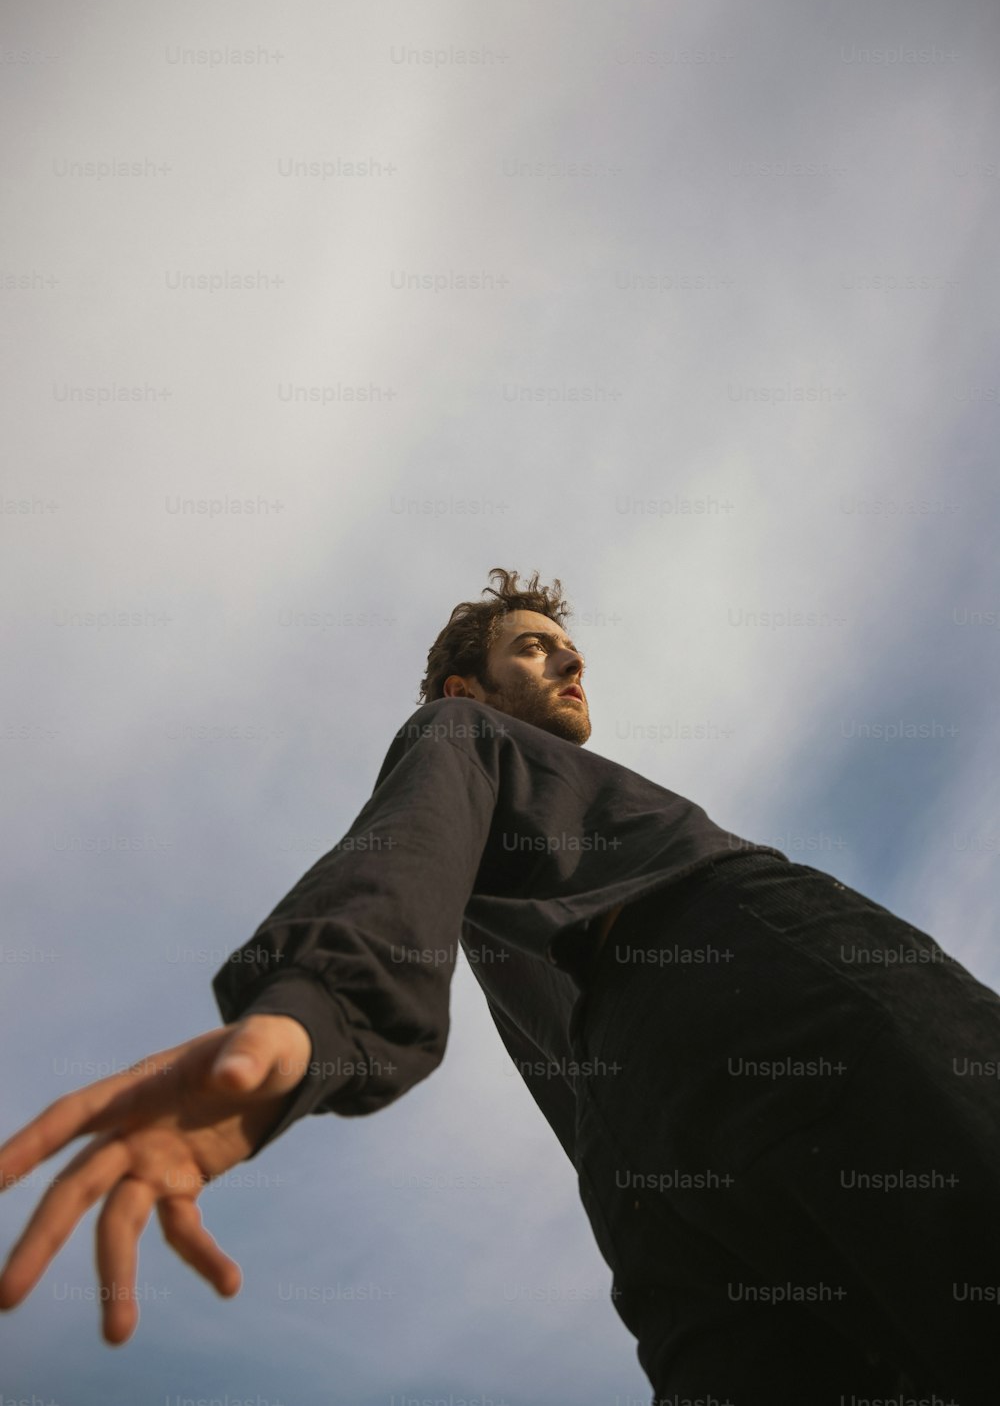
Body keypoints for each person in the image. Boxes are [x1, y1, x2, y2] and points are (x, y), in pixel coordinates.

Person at [1, 568, 998, 1405]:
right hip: (764, 972)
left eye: (568, 648)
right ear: (461, 691)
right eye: (532, 647)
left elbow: (415, 873)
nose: (568, 660)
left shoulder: (499, 875)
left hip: (644, 1172)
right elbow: (404, 855)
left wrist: (317, 1021)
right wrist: (311, 1015)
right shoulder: (467, 740)